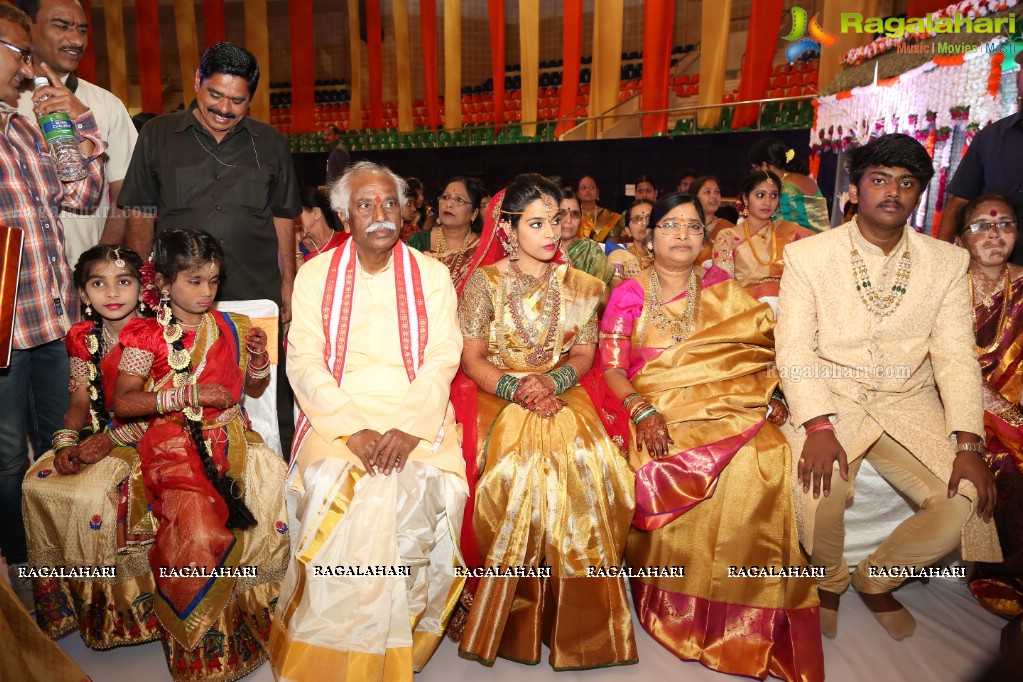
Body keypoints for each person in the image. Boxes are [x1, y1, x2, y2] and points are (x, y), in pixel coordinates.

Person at [776, 133, 1002, 642]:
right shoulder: (810, 256)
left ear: (921, 194)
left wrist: (969, 442)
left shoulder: (946, 261)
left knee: (965, 498)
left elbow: (954, 356)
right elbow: (793, 349)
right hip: (830, 397)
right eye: (879, 179)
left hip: (909, 401)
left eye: (907, 183)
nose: (893, 192)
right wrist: (815, 423)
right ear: (855, 190)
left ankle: (876, 580)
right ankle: (829, 583)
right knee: (821, 491)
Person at [600, 191, 823, 681]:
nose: (682, 235)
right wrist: (642, 410)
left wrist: (772, 391)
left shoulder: (722, 284)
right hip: (657, 409)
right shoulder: (628, 292)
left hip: (729, 403)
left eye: (693, 227)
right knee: (672, 461)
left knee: (765, 457)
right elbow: (613, 369)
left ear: (705, 238)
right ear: (649, 234)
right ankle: (678, 604)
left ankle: (752, 617)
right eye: (671, 225)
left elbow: (757, 351)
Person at [270, 161, 466, 680]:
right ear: (342, 214)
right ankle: (337, 650)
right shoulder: (315, 276)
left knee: (416, 484)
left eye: (388, 203)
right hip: (337, 414)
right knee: (335, 482)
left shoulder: (432, 273)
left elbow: (444, 355)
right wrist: (351, 430)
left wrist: (409, 427)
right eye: (365, 204)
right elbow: (304, 361)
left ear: (403, 211)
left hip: (415, 412)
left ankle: (397, 643)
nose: (380, 215)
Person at [456, 174, 637, 671]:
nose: (551, 232)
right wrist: (516, 388)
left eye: (555, 220)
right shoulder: (483, 284)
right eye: (536, 223)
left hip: (562, 388)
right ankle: (513, 616)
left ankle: (578, 620)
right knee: (514, 469)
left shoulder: (581, 285)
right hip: (499, 391)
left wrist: (552, 383)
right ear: (508, 230)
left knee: (588, 459)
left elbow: (584, 352)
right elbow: (471, 358)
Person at [112, 229, 289, 680]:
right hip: (172, 442)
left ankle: (257, 624)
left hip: (232, 435)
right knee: (195, 525)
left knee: (277, 487)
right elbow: (124, 402)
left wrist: (257, 363)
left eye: (213, 280)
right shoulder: (145, 333)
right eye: (194, 280)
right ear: (164, 282)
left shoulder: (233, 326)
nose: (206, 291)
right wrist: (186, 394)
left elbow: (252, 388)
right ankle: (203, 649)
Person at [118, 41, 302, 452]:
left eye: (237, 100)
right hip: (178, 300)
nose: (224, 107)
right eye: (215, 94)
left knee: (264, 395)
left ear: (249, 100)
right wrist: (140, 282)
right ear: (198, 82)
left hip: (255, 296)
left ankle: (267, 480)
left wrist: (288, 282)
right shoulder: (157, 134)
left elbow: (284, 216)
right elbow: (141, 210)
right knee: (182, 394)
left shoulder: (270, 143)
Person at [0, 3, 106, 610]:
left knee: (62, 440)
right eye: (19, 51)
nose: (27, 66)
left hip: (54, 319)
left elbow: (81, 193)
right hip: (4, 333)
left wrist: (75, 120)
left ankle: (66, 561)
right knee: (7, 457)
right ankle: (24, 570)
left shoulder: (22, 127)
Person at [22, 245, 161, 650]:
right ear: (83, 294)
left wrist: (110, 441)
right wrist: (65, 441)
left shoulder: (157, 331)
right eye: (98, 283)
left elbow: (161, 404)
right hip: (100, 433)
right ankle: (67, 605)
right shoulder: (83, 336)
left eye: (124, 282)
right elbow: (80, 399)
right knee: (37, 481)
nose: (112, 293)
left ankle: (123, 612)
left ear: (142, 287)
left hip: (152, 432)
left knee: (91, 494)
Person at [17, 0, 138, 264]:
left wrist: (98, 264)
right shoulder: (8, 102)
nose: (76, 40)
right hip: (19, 276)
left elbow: (126, 196)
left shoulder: (106, 104)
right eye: (61, 27)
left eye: (82, 30)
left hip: (84, 277)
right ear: (26, 26)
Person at [955, 194, 1023, 653]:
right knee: (1003, 459)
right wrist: (1007, 412)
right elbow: (947, 365)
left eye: (1005, 224)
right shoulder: (950, 286)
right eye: (982, 225)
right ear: (962, 238)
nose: (995, 233)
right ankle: (1000, 572)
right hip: (959, 403)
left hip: (1014, 401)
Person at [937, 51, 1023, 265]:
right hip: (997, 276)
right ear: (1018, 79)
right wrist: (941, 264)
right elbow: (959, 203)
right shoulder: (991, 138)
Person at [712, 170, 813, 311]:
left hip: (788, 309)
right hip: (747, 312)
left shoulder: (790, 233)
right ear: (746, 199)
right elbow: (723, 287)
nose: (768, 202)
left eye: (773, 196)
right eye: (760, 195)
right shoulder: (728, 236)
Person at [408, 176, 484, 292]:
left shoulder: (482, 249)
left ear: (474, 213)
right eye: (445, 197)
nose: (449, 204)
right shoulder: (418, 241)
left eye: (459, 200)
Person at [748, 137, 830, 233]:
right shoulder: (805, 178)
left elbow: (782, 231)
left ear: (765, 165)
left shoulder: (784, 188)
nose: (754, 174)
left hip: (802, 245)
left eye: (755, 168)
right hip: (822, 242)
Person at [560, 188, 615, 286]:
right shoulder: (539, 249)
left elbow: (605, 296)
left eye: (575, 214)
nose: (568, 220)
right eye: (561, 213)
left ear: (581, 218)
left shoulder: (590, 251)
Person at [295, 185, 347, 271]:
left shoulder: (347, 240)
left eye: (296, 211)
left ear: (316, 213)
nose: (292, 218)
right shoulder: (299, 248)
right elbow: (302, 282)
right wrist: (295, 247)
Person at [608, 199, 654, 285]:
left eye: (649, 218)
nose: (645, 223)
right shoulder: (618, 257)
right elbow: (617, 293)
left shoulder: (670, 255)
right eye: (637, 219)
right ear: (628, 230)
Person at [691, 175, 734, 263]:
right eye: (708, 192)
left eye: (717, 192)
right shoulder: (685, 227)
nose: (714, 196)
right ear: (695, 198)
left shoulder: (728, 228)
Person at [576, 174, 622, 242]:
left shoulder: (611, 217)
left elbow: (612, 248)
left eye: (591, 187)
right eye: (583, 188)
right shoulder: (572, 215)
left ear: (597, 192)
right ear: (578, 194)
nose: (587, 190)